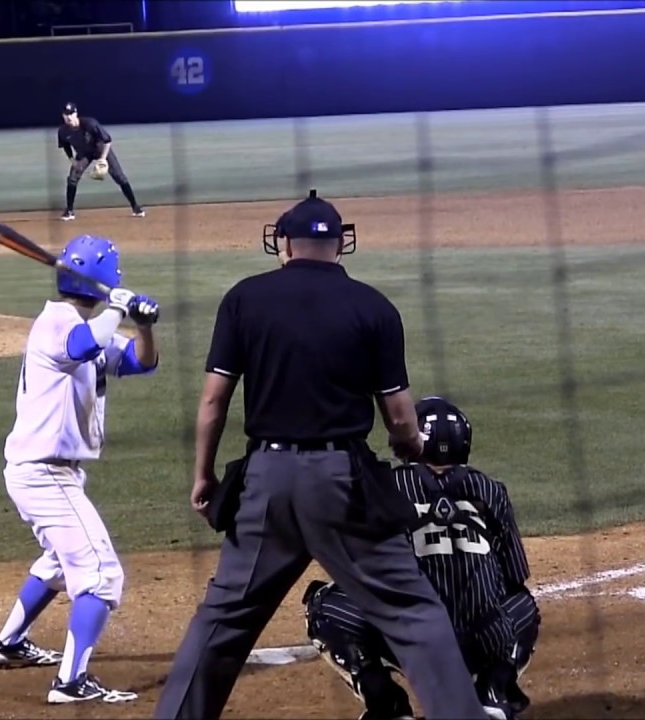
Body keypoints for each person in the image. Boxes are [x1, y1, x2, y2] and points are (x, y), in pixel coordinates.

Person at [152, 190, 488, 720]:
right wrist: (412, 447)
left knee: (222, 619)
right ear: (340, 244)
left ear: (284, 243)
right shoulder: (373, 306)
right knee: (412, 613)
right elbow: (401, 417)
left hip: (265, 483)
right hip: (342, 486)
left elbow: (214, 401)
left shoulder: (244, 298)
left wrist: (203, 475)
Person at [0, 234, 160, 705]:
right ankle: (71, 683)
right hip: (43, 474)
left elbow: (141, 363)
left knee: (61, 562)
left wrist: (143, 326)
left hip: (52, 472)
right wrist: (118, 307)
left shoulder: (87, 324)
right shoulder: (58, 324)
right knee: (101, 575)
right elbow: (83, 346)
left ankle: (9, 643)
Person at [302, 396, 542, 720]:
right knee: (523, 603)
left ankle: (385, 704)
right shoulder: (492, 490)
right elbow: (515, 575)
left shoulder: (387, 484)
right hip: (482, 641)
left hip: (416, 641)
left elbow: (358, 568)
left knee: (323, 603)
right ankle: (494, 689)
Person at [56, 102, 145, 221]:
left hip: (101, 149)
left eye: (71, 114)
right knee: (72, 178)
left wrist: (102, 159)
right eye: (66, 114)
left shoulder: (90, 124)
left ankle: (136, 207)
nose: (69, 117)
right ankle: (69, 211)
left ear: (76, 113)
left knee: (119, 176)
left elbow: (107, 141)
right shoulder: (63, 131)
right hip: (84, 154)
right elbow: (66, 146)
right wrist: (72, 160)